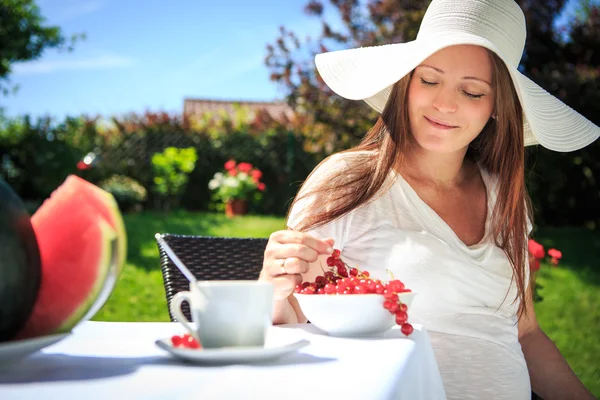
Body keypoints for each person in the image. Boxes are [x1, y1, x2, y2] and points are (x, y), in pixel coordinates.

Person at [258, 0, 599, 399]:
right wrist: (273, 287)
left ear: (495, 107)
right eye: (430, 80)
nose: (445, 104)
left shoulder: (506, 196)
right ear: (406, 83)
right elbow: (296, 324)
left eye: (472, 91)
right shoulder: (349, 183)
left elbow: (525, 332)